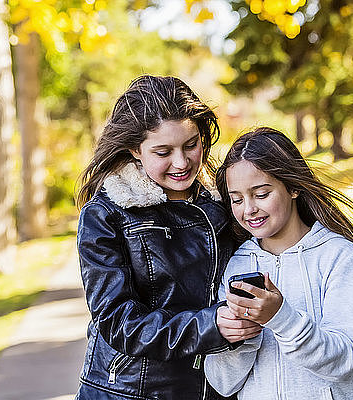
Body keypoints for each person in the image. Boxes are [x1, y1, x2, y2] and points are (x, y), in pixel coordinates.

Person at [75, 75, 258, 399]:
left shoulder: (225, 200)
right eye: (163, 151)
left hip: (216, 387)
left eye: (191, 144)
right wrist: (210, 326)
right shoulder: (106, 214)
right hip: (131, 391)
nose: (182, 162)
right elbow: (119, 322)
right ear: (135, 148)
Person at [204, 127, 353, 400]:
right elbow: (223, 383)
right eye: (237, 199)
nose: (248, 209)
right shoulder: (234, 265)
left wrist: (280, 318)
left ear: (292, 187)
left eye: (261, 194)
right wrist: (243, 335)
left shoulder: (339, 256)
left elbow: (343, 360)